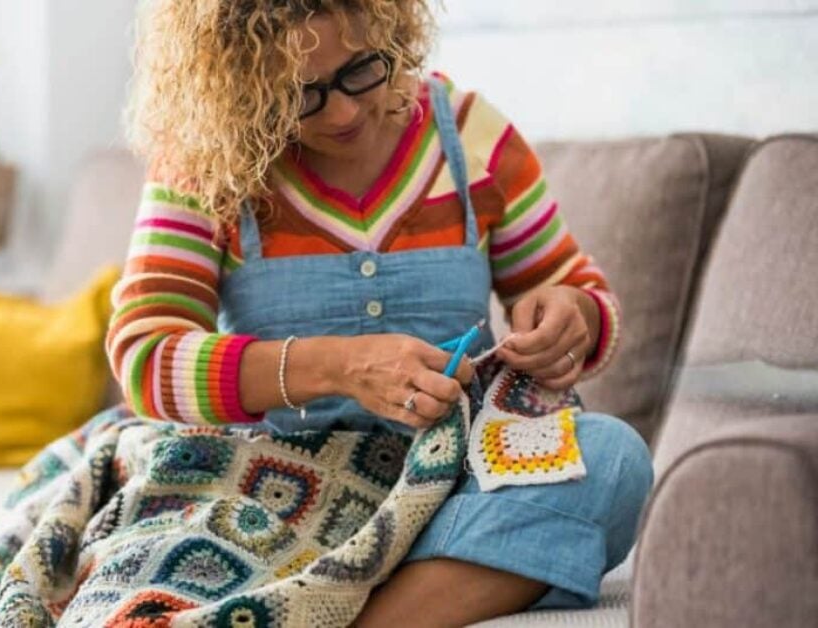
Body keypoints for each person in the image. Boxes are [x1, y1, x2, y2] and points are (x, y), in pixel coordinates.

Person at [104, 1, 653, 625]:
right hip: (262, 496)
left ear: (390, 30)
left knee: (610, 457)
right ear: (239, 81)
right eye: (298, 93)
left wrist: (571, 316)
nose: (342, 111)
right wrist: (341, 367)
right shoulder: (207, 158)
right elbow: (146, 360)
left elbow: (576, 293)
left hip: (452, 485)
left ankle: (319, 611)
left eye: (361, 70)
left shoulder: (471, 135)